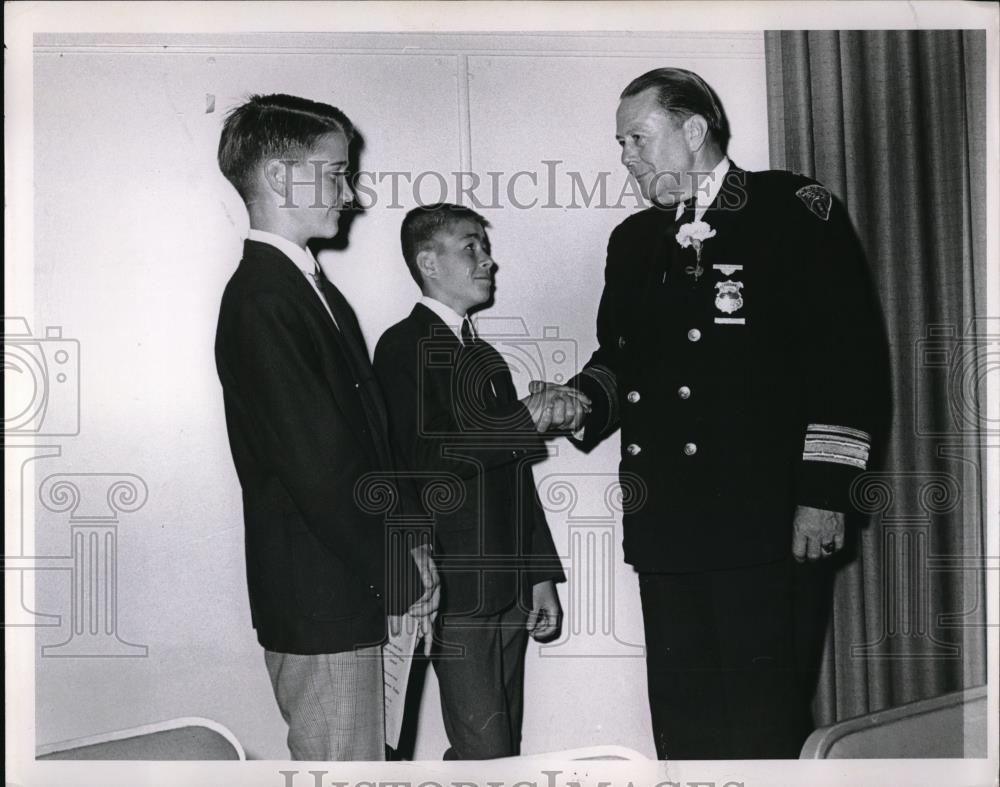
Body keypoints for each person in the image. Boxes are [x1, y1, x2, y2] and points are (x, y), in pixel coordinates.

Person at [566, 68, 886, 759]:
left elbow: (847, 361)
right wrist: (579, 399)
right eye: (621, 143)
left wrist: (825, 496)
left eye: (639, 138)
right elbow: (620, 361)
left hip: (764, 520)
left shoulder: (791, 208)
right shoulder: (633, 241)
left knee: (761, 724)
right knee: (684, 729)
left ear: (693, 129)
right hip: (668, 524)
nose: (628, 157)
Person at [214, 94, 437, 761]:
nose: (351, 193)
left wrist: (411, 550)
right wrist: (403, 573)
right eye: (336, 172)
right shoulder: (263, 299)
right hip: (326, 599)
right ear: (282, 177)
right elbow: (322, 468)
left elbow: (365, 448)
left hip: (349, 588)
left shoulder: (304, 287)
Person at [374, 203, 580, 759]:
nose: (488, 260)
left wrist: (540, 576)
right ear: (428, 262)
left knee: (502, 748)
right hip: (453, 589)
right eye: (471, 247)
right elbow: (427, 461)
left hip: (509, 587)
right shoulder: (402, 346)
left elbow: (514, 477)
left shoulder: (484, 355)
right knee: (485, 752)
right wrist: (524, 418)